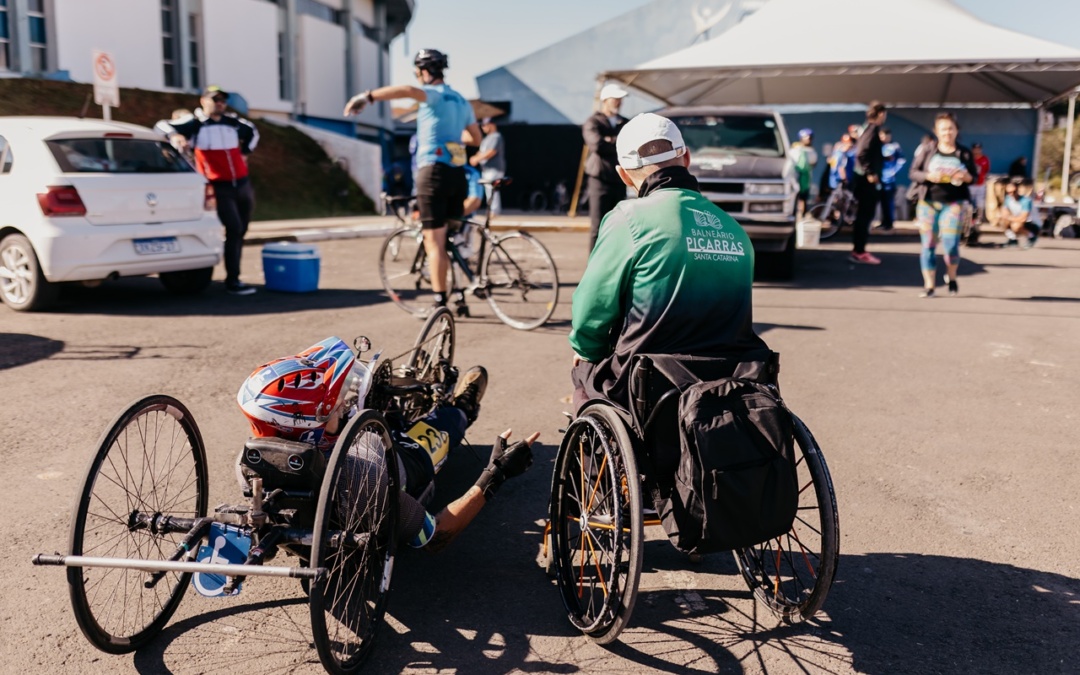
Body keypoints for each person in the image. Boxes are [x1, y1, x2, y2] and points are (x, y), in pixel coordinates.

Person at [238, 342, 539, 555]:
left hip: (338, 461)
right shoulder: (362, 480)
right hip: (395, 461)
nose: (342, 405)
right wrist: (495, 474)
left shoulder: (248, 464)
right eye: (333, 407)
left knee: (376, 414)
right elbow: (435, 535)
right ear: (304, 426)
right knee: (441, 426)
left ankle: (400, 401)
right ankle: (462, 405)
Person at [569, 113, 767, 410]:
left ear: (623, 174)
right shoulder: (733, 228)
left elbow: (592, 309)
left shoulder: (627, 218)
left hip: (650, 386)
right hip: (734, 384)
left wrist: (587, 352)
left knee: (584, 373)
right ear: (686, 157)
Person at [345, 49, 482, 312]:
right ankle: (461, 293)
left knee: (435, 241)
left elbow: (407, 90)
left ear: (424, 71)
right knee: (452, 239)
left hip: (433, 172)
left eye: (418, 72)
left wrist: (368, 96)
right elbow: (475, 139)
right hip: (457, 174)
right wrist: (452, 140)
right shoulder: (462, 101)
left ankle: (440, 301)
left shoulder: (432, 95)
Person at [156, 86, 260, 295]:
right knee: (234, 227)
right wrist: (176, 136)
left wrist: (245, 151)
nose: (219, 103)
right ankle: (233, 280)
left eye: (223, 100)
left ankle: (233, 274)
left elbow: (253, 132)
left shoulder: (234, 123)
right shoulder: (195, 124)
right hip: (218, 186)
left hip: (242, 183)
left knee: (240, 231)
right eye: (215, 99)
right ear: (203, 101)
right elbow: (161, 127)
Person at [907, 112, 976, 297]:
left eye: (951, 128)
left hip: (953, 203)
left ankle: (951, 277)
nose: (947, 132)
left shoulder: (964, 152)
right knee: (928, 243)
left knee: (951, 244)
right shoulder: (927, 150)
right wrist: (928, 176)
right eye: (943, 129)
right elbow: (913, 172)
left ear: (956, 130)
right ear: (936, 131)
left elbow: (973, 177)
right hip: (928, 202)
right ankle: (929, 286)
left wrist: (965, 176)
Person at [583, 83, 630, 252]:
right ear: (605, 99)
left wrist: (610, 140)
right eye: (615, 98)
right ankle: (594, 270)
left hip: (619, 180)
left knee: (619, 226)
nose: (619, 102)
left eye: (620, 99)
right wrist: (617, 141)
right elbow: (597, 146)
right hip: (599, 181)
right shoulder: (592, 121)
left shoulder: (625, 122)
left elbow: (630, 144)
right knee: (598, 226)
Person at [850, 102, 888, 264]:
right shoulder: (872, 130)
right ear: (880, 113)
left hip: (863, 181)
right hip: (866, 183)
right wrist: (870, 173)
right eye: (885, 113)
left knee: (863, 216)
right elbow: (861, 154)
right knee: (864, 216)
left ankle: (859, 250)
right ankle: (859, 251)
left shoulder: (868, 129)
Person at [470, 117, 505, 215]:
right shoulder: (487, 138)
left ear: (492, 124)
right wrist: (475, 157)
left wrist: (477, 159)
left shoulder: (496, 136)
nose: (483, 127)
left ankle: (494, 211)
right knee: (488, 190)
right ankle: (491, 210)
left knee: (493, 190)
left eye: (485, 125)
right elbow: (482, 152)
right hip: (486, 169)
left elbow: (491, 152)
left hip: (494, 168)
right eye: (482, 125)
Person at [995, 178, 1038, 249]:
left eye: (1013, 192)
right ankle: (1012, 239)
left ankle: (1031, 236)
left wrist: (1009, 218)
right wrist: (1006, 217)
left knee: (1015, 226)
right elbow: (1004, 212)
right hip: (1015, 219)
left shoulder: (1025, 201)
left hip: (1031, 223)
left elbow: (1023, 218)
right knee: (1001, 221)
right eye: (1009, 192)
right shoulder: (1008, 199)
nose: (1011, 194)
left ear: (1017, 190)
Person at [878, 128, 905, 231]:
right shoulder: (878, 146)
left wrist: (894, 172)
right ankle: (883, 221)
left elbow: (901, 160)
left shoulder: (894, 147)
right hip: (879, 179)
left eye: (886, 135)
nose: (884, 138)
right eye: (882, 135)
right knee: (882, 202)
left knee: (889, 201)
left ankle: (889, 222)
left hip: (889, 179)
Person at [790, 128, 818, 218]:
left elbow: (814, 164)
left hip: (806, 178)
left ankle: (803, 214)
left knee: (804, 197)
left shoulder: (812, 151)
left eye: (810, 138)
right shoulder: (795, 149)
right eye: (806, 137)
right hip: (795, 177)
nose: (808, 140)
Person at [970, 142, 991, 222]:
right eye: (975, 149)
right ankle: (969, 218)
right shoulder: (969, 158)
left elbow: (986, 170)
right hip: (971, 184)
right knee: (969, 202)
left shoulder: (985, 158)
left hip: (980, 184)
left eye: (978, 149)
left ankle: (978, 218)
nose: (976, 151)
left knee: (980, 202)